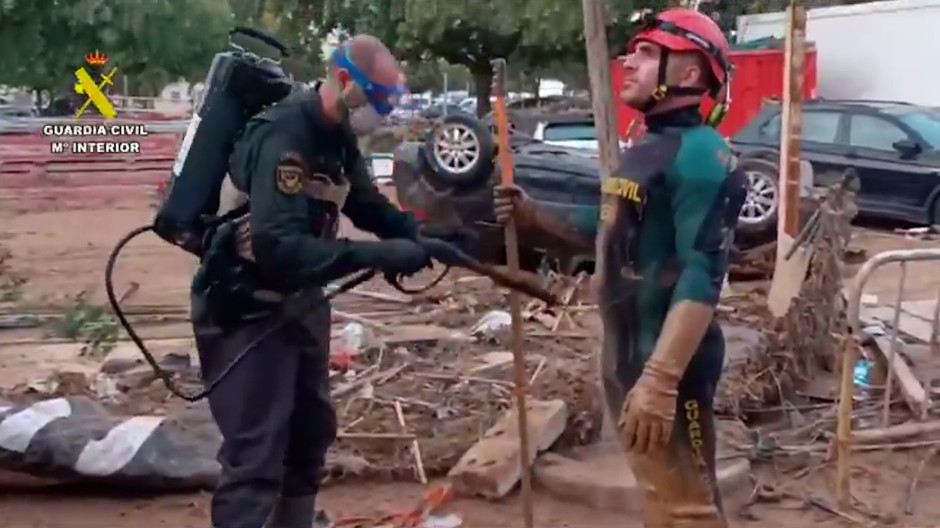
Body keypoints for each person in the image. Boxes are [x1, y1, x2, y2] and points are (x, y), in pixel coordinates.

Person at [191, 35, 467, 528]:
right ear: (343, 81)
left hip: (298, 306)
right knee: (256, 455)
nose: (382, 112)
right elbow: (281, 250)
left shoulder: (338, 138)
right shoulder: (285, 135)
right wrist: (381, 254)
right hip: (244, 306)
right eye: (378, 100)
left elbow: (366, 205)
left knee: (309, 436)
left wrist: (423, 237)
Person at [494, 9, 747, 528]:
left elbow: (703, 274)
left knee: (690, 508)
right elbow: (607, 227)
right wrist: (533, 212)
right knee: (660, 494)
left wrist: (660, 380)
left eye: (648, 53)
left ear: (691, 73)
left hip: (667, 365)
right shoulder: (647, 149)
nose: (628, 62)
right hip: (628, 357)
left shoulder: (703, 156)